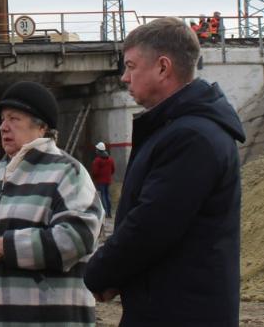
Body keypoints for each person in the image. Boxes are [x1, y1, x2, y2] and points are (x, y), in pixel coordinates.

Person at [83, 17, 245, 326]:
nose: (123, 78)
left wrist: (101, 273)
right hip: (168, 304)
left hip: (181, 312)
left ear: (162, 67)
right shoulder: (178, 130)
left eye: (131, 66)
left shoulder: (191, 138)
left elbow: (151, 225)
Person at [0, 82, 103, 325]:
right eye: (2, 119)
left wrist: (5, 247)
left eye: (14, 118)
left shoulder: (67, 172)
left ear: (41, 127)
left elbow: (77, 237)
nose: (2, 127)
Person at [91, 141, 116, 218]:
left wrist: (94, 178)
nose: (95, 150)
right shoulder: (110, 160)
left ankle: (105, 213)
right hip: (108, 181)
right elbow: (113, 170)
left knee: (103, 197)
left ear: (99, 150)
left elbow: (95, 172)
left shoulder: (97, 161)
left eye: (96, 149)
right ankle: (109, 213)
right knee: (107, 196)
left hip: (100, 181)